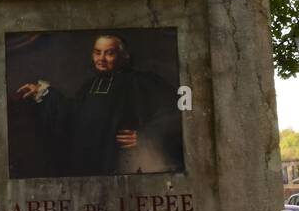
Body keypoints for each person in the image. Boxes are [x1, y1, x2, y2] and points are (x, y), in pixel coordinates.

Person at [13, 33, 183, 177]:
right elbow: (71, 114)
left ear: (124, 56)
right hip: (92, 162)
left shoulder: (141, 81)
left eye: (109, 53)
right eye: (97, 53)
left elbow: (176, 111)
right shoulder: (90, 85)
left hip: (128, 162)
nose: (101, 59)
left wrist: (146, 135)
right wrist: (43, 92)